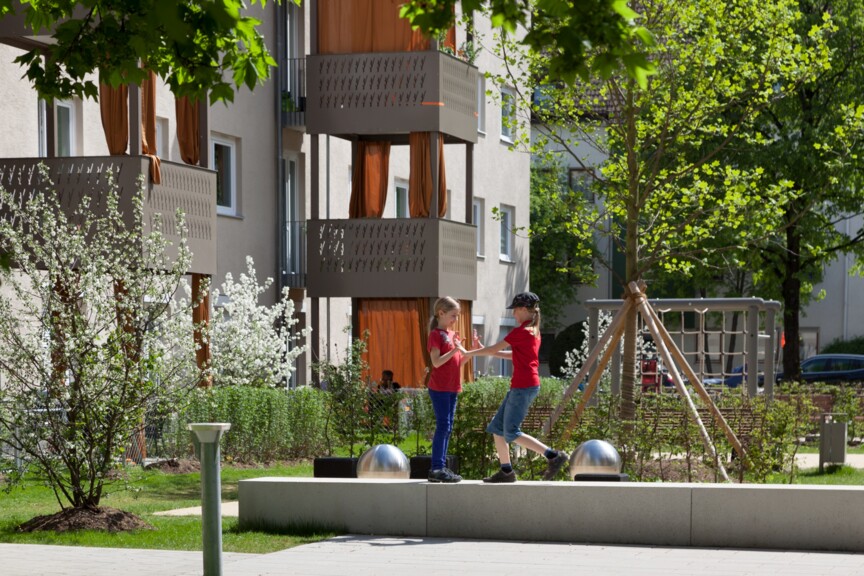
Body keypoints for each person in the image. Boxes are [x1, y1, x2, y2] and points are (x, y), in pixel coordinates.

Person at [463, 292, 569, 483]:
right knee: (497, 428)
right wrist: (484, 349)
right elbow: (514, 355)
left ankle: (553, 456)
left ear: (523, 309)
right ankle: (506, 471)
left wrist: (469, 353)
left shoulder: (521, 332)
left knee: (511, 432)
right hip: (523, 385)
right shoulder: (532, 331)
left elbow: (493, 349)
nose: (513, 315)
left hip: (524, 386)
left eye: (515, 311)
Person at [426, 296, 473, 483]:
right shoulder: (435, 335)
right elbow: (436, 363)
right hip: (439, 389)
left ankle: (441, 468)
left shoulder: (452, 335)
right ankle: (436, 468)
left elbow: (458, 362)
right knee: (443, 426)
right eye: (453, 315)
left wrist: (471, 351)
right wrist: (454, 350)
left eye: (458, 316)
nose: (456, 319)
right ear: (441, 313)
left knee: (448, 427)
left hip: (453, 388)